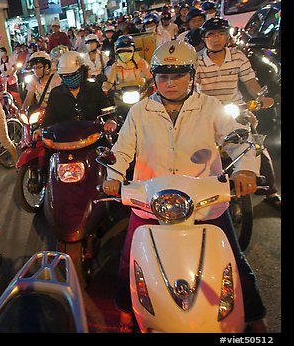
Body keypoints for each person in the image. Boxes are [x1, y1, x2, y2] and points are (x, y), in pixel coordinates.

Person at [102, 39, 268, 333]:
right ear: (154, 78)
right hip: (151, 200)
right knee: (130, 259)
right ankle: (127, 313)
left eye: (177, 75)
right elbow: (123, 149)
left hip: (204, 201)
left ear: (191, 76)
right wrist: (113, 176)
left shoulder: (211, 107)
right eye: (163, 76)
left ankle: (254, 316)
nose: (170, 83)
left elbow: (239, 138)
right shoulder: (140, 111)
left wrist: (246, 171)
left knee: (234, 261)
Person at [195, 17, 280, 210]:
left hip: (235, 107)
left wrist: (259, 98)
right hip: (206, 111)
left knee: (254, 144)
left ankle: (270, 190)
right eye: (211, 35)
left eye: (221, 34)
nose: (216, 39)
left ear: (227, 36)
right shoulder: (196, 60)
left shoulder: (238, 57)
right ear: (204, 38)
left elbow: (250, 82)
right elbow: (192, 87)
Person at [36, 51, 117, 140]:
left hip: (93, 139)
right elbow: (50, 117)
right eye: (65, 76)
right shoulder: (56, 94)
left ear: (82, 71)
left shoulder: (94, 89)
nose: (70, 78)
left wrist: (110, 120)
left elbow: (106, 109)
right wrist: (41, 129)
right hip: (64, 141)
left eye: (73, 75)